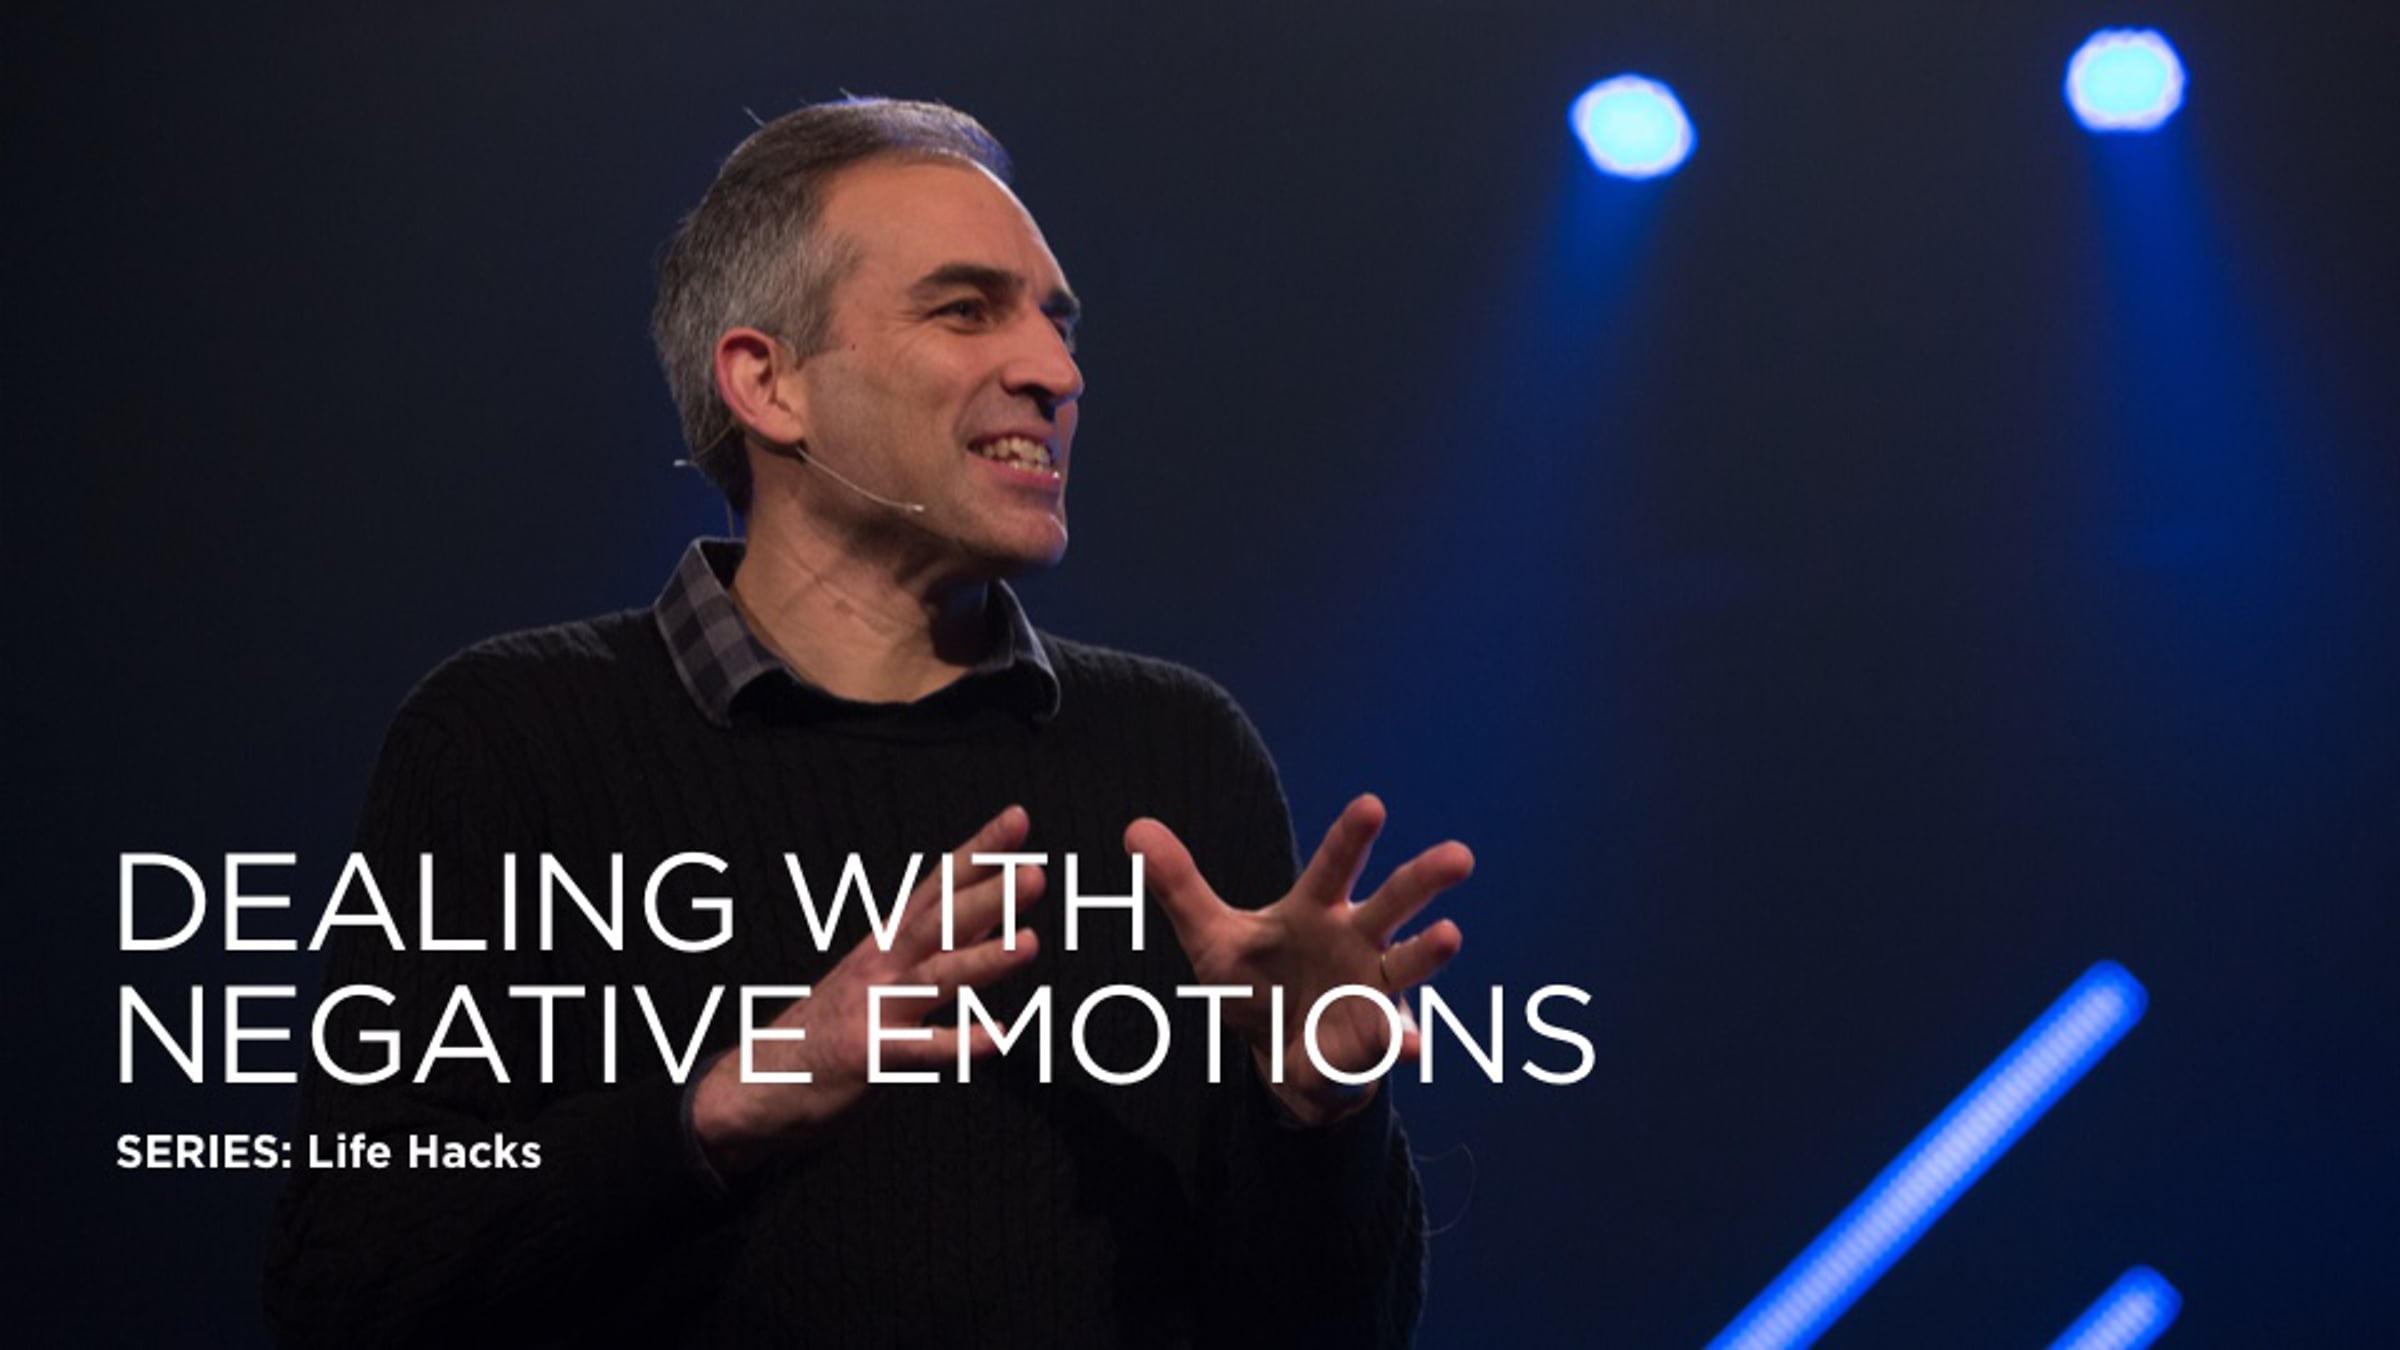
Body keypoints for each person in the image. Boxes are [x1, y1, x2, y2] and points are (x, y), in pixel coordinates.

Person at [265, 97, 1471, 1348]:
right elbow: (346, 1287)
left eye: (1058, 325)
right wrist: (720, 1112)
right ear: (768, 383)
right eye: (966, 310)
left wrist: (1318, 1113)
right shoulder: (510, 741)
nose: (1056, 374)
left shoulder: (1178, 759)